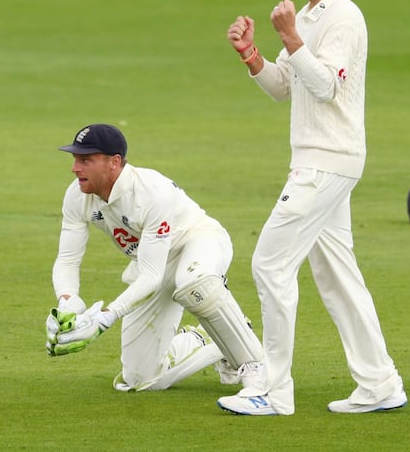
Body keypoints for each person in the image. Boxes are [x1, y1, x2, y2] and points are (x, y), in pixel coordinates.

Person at [217, 0, 407, 415]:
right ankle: (381, 383)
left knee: (270, 264)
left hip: (327, 160)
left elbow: (324, 88)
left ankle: (274, 392)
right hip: (318, 158)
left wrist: (290, 38)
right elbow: (285, 87)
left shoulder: (344, 17)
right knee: (337, 275)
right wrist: (251, 53)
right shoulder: (307, 17)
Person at [45, 123, 265, 403]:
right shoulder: (77, 196)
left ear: (114, 162)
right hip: (151, 259)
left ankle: (257, 367)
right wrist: (67, 302)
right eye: (75, 159)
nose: (76, 168)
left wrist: (104, 318)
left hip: (198, 242)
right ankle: (209, 339)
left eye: (86, 160)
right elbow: (67, 259)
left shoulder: (150, 191)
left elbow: (150, 275)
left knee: (194, 283)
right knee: (141, 379)